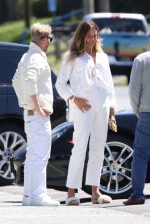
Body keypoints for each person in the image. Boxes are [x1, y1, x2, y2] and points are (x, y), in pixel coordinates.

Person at [56, 20, 117, 205]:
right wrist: (74, 98)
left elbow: (110, 85)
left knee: (98, 149)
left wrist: (112, 112)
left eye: (94, 35)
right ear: (81, 36)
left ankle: (95, 193)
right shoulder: (72, 57)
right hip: (83, 107)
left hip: (103, 106)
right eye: (88, 36)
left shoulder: (103, 56)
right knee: (80, 148)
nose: (92, 39)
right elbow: (60, 84)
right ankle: (71, 193)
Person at [12, 22, 60, 207]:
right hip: (37, 115)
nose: (50, 41)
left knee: (33, 155)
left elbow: (16, 80)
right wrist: (37, 105)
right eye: (50, 38)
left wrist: (25, 102)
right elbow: (29, 80)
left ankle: (29, 196)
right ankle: (39, 195)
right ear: (43, 39)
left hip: (30, 114)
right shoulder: (36, 58)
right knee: (40, 155)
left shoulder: (27, 56)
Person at [123, 51, 150, 205]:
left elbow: (133, 91)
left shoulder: (141, 59)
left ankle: (137, 194)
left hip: (147, 112)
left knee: (140, 155)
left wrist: (138, 111)